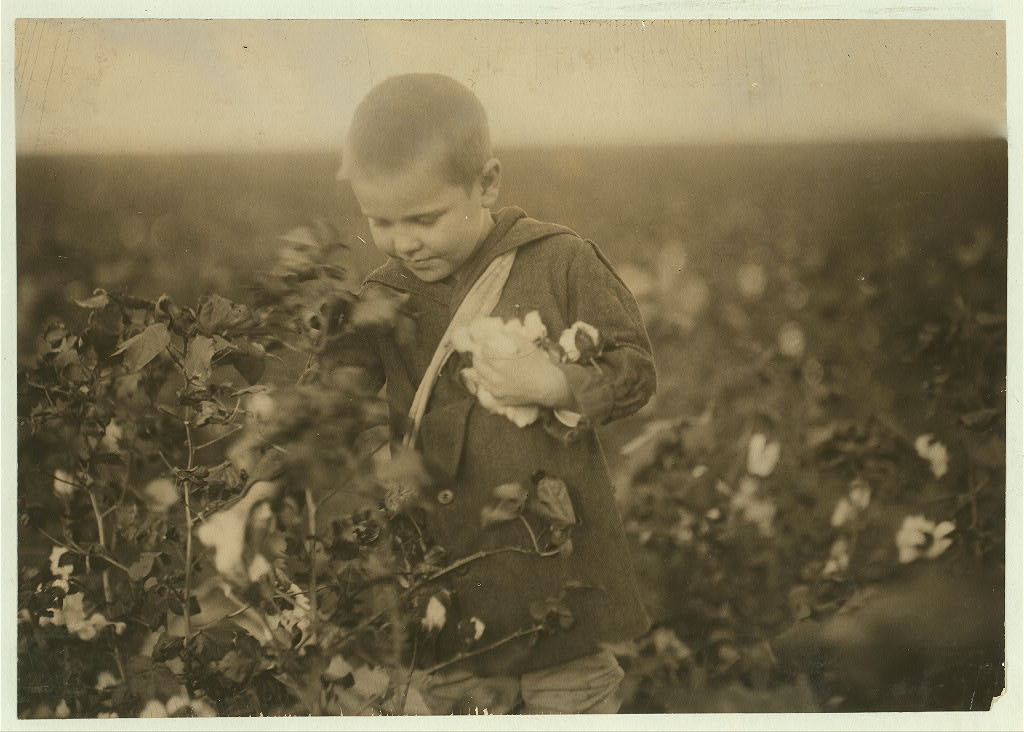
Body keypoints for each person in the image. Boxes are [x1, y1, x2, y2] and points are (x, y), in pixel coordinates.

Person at [336, 72, 656, 715]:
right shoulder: (382, 296)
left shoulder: (559, 261)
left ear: (486, 183)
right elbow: (327, 404)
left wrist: (557, 381)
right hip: (442, 579)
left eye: (424, 218)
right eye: (381, 221)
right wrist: (268, 481)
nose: (403, 241)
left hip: (552, 574)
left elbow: (635, 370)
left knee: (571, 704)